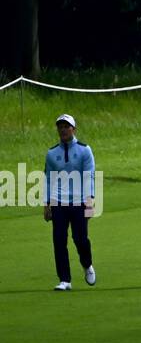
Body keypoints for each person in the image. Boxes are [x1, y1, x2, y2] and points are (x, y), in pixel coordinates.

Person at [43, 114, 96, 290]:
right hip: (59, 202)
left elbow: (90, 177)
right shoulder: (52, 153)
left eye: (66, 126)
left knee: (80, 239)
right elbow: (48, 179)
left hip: (80, 201)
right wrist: (47, 203)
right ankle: (65, 280)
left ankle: (87, 264)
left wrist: (90, 201)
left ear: (74, 129)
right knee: (59, 240)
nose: (63, 129)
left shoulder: (84, 150)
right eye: (60, 126)